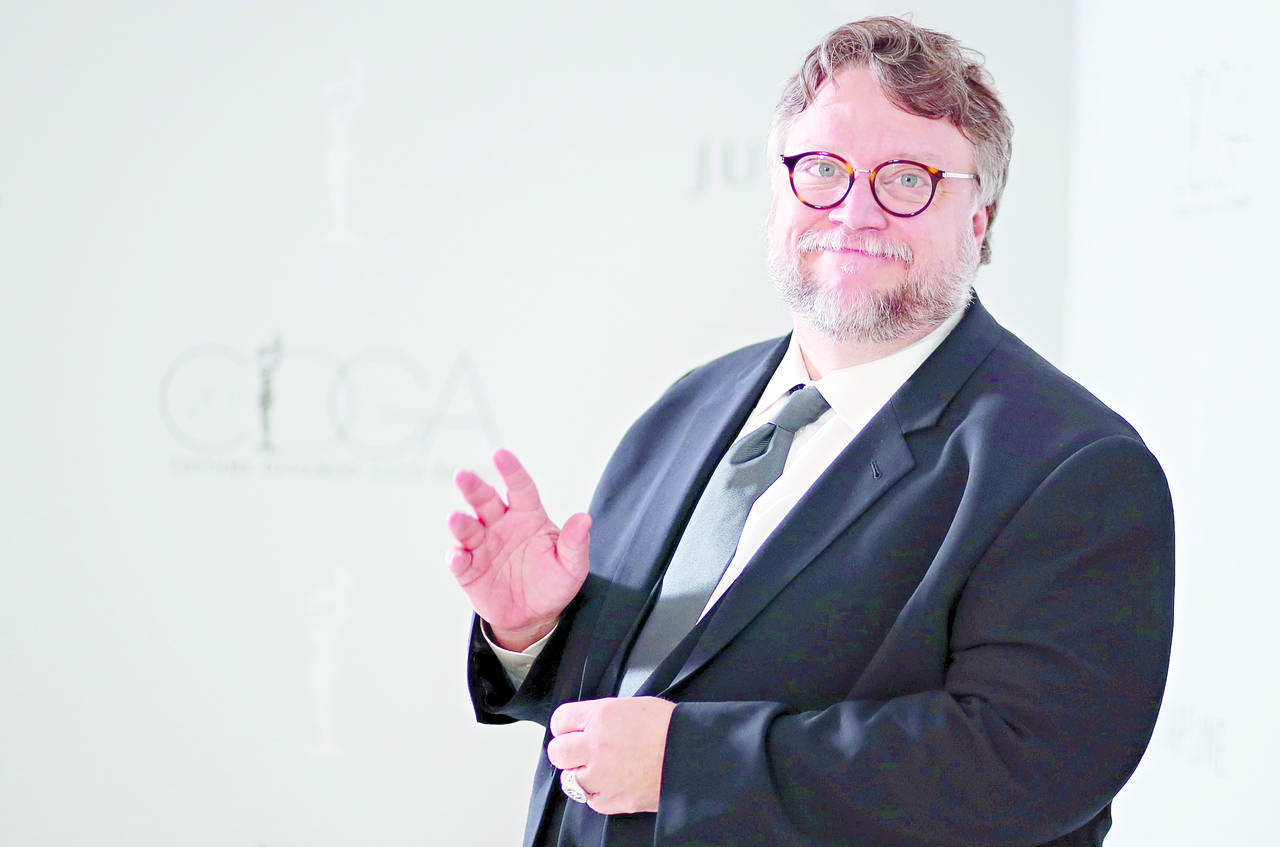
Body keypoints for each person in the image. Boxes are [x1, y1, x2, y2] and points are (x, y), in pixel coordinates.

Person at [446, 16, 1174, 847]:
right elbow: (627, 710)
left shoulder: (1075, 467)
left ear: (979, 220)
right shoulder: (689, 407)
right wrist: (532, 633)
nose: (855, 211)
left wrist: (692, 763)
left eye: (908, 179)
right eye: (824, 169)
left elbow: (1029, 762)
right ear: (780, 190)